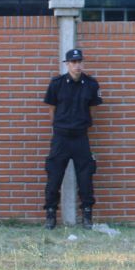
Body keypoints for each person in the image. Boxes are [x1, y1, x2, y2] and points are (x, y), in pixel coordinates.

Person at [42, 49, 103, 229]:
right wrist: (61, 127)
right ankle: (51, 214)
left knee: (85, 177)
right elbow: (51, 110)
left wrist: (80, 124)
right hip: (61, 138)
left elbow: (92, 110)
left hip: (80, 138)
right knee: (54, 176)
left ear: (83, 63)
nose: (77, 65)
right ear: (67, 64)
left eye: (79, 62)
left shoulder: (91, 85)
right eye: (73, 62)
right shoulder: (57, 84)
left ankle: (87, 215)